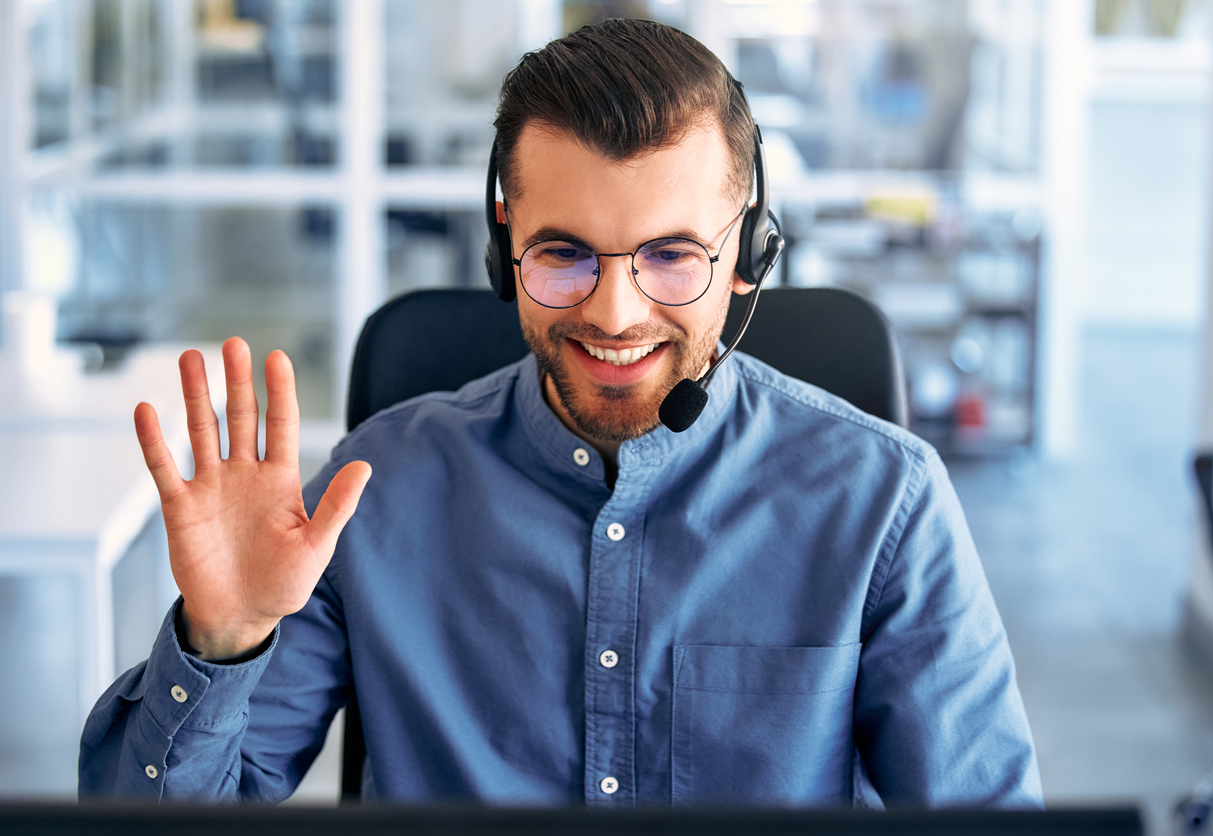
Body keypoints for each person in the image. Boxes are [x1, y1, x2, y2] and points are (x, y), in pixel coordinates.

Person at [80, 19, 1042, 807]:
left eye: (671, 255)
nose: (614, 313)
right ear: (504, 247)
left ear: (750, 251)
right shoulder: (373, 492)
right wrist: (224, 640)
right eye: (563, 254)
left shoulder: (885, 502)